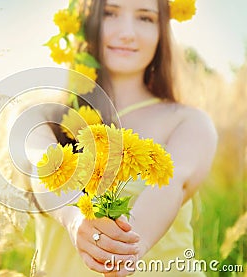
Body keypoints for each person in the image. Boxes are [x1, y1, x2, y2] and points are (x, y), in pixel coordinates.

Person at [26, 0, 218, 276]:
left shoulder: (190, 122)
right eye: (110, 13)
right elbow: (40, 164)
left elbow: (172, 182)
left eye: (145, 18)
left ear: (162, 31)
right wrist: (74, 220)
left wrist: (122, 252)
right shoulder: (41, 116)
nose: (127, 32)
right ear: (84, 22)